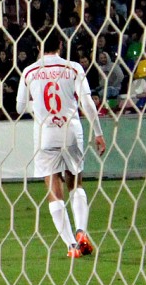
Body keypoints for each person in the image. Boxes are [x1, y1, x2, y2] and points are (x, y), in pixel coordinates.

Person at [15, 31, 107, 258]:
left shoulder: (29, 71)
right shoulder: (73, 67)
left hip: (46, 135)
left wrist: (37, 107)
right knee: (75, 183)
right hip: (71, 132)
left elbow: (19, 107)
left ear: (39, 46)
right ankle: (81, 232)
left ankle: (71, 245)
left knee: (53, 187)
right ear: (60, 45)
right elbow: (87, 102)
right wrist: (98, 133)